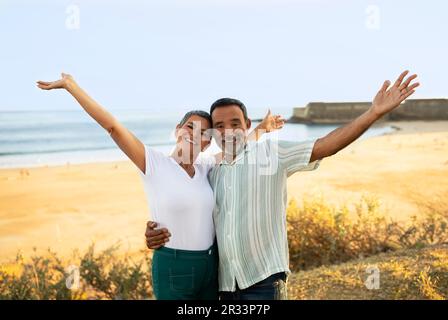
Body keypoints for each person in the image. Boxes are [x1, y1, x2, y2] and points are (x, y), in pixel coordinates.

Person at [145, 71, 420, 300]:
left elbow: (326, 145)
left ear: (246, 125)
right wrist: (156, 230)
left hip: (264, 283)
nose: (227, 131)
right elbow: (189, 207)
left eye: (234, 123)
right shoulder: (212, 171)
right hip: (225, 287)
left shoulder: (271, 155)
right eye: (219, 126)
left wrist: (373, 113)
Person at [36, 73, 284, 300]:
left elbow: (237, 150)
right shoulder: (153, 163)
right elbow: (113, 126)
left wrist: (261, 129)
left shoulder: (207, 167)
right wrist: (72, 87)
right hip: (172, 265)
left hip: (212, 265)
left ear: (208, 143)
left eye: (204, 133)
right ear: (177, 130)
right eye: (190, 126)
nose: (194, 134)